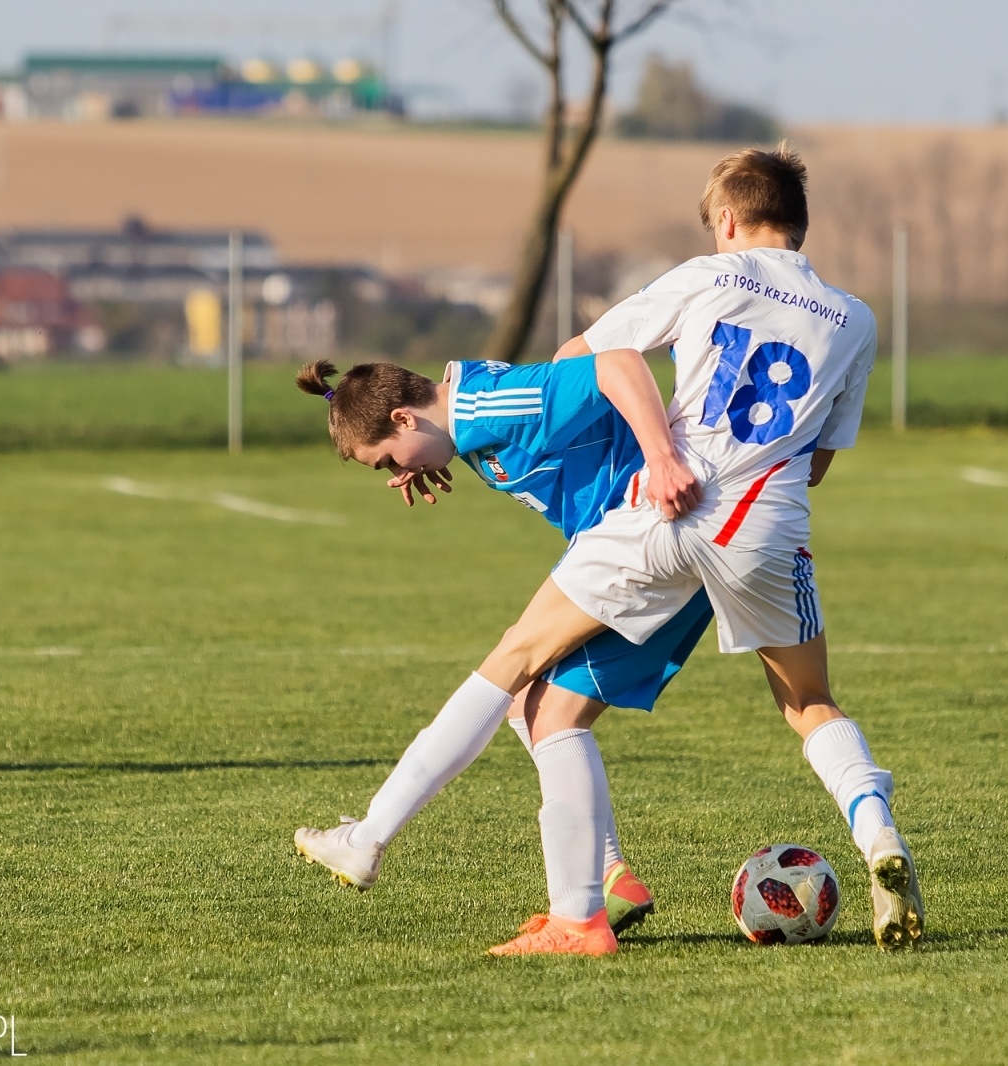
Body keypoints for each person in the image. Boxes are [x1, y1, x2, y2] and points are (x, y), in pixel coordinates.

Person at [307, 144, 923, 958]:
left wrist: (663, 457)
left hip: (668, 508)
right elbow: (818, 460)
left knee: (517, 666)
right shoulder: (858, 318)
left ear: (728, 221)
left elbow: (600, 356)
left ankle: (391, 843)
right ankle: (879, 840)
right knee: (806, 704)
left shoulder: (711, 275)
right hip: (772, 522)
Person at [291, 351, 716, 936]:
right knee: (539, 710)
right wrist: (443, 451)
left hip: (643, 526)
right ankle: (606, 882)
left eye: (386, 458)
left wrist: (662, 459)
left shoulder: (488, 404)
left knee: (511, 663)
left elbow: (614, 365)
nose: (393, 472)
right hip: (653, 544)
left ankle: (369, 838)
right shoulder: (462, 420)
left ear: (405, 418)